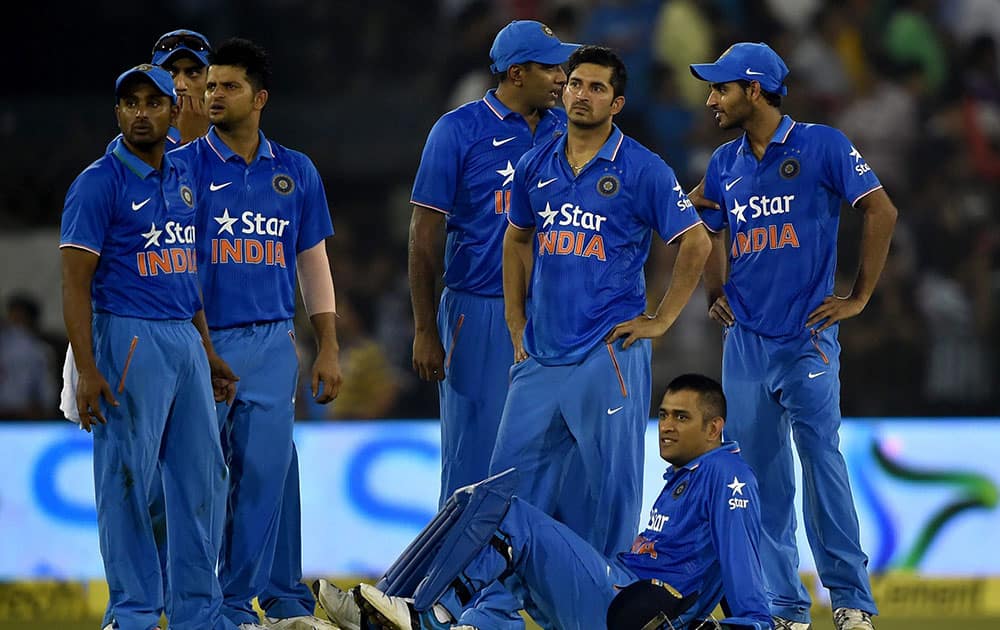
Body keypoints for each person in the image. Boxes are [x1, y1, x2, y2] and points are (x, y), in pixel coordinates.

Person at [687, 42, 898, 630]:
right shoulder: (724, 164)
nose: (711, 100)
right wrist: (713, 290)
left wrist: (857, 297)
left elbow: (881, 211)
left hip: (807, 338)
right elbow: (703, 223)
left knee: (822, 467)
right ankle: (785, 610)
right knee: (762, 485)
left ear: (753, 90)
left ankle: (852, 602)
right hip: (746, 344)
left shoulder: (822, 145)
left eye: (721, 88)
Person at [318, 375, 773, 630]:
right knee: (469, 503)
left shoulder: (725, 476)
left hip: (627, 608)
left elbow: (742, 573)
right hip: (620, 594)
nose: (667, 426)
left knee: (507, 512)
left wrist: (753, 621)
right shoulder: (687, 475)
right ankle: (386, 605)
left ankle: (429, 618)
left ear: (715, 428)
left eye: (682, 417)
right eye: (664, 415)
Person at [494, 45, 711, 560]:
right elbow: (516, 238)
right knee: (503, 488)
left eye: (596, 88)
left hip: (608, 351)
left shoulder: (643, 169)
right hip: (542, 354)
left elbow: (696, 242)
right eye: (574, 84)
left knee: (611, 492)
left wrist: (662, 320)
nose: (581, 95)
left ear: (616, 103)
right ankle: (492, 608)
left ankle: (606, 602)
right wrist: (514, 316)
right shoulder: (533, 165)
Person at [60, 64, 241, 630]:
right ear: (118, 112)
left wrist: (206, 350)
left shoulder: (184, 178)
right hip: (128, 335)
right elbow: (73, 284)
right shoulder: (98, 183)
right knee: (126, 480)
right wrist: (86, 370)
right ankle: (134, 612)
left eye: (152, 103)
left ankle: (197, 614)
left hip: (184, 340)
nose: (141, 112)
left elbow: (186, 276)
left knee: (201, 482)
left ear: (172, 112)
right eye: (130, 103)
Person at [169, 38, 342, 630]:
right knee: (198, 486)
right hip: (200, 342)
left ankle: (239, 608)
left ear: (260, 97)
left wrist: (328, 345)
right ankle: (194, 606)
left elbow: (312, 262)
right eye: (209, 85)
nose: (212, 94)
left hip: (272, 344)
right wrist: (198, 346)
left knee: (265, 481)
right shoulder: (183, 168)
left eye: (227, 86)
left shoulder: (296, 171)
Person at [409, 18, 578, 507]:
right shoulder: (457, 131)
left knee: (549, 462)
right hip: (479, 309)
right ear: (517, 72)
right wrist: (424, 328)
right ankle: (457, 583)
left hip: (555, 315)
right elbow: (422, 237)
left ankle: (526, 581)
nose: (562, 77)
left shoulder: (568, 129)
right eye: (551, 67)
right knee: (474, 460)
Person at [151, 28, 213, 144]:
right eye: (170, 73)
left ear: (210, 79)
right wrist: (191, 142)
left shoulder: (231, 138)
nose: (180, 86)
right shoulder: (131, 145)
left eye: (193, 73)